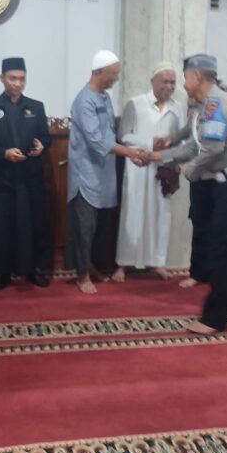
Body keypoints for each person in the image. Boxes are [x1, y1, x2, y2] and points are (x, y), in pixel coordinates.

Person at [150, 54, 227, 333]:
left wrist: (193, 170)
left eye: (185, 77)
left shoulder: (216, 102)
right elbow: (194, 146)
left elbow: (212, 149)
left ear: (196, 76)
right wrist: (158, 156)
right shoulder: (206, 105)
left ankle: (215, 318)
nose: (183, 84)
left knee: (223, 248)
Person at [65, 50, 148, 294]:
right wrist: (130, 152)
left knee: (98, 229)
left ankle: (90, 265)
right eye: (114, 73)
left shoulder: (104, 97)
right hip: (85, 176)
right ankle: (81, 275)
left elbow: (110, 134)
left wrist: (131, 153)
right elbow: (96, 141)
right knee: (84, 228)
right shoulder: (84, 101)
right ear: (99, 72)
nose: (116, 78)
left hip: (104, 174)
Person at [0, 57, 51, 290]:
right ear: (2, 78)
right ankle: (2, 272)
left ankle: (33, 269)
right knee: (3, 227)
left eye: (22, 79)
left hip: (30, 178)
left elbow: (45, 137)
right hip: (4, 179)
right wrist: (4, 153)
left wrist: (42, 147)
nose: (18, 83)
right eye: (13, 78)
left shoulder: (36, 107)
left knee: (33, 225)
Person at [112, 63, 185, 282]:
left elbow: (182, 139)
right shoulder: (135, 104)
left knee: (161, 215)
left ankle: (157, 262)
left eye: (172, 82)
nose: (169, 86)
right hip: (138, 166)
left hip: (163, 168)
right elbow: (123, 135)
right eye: (165, 81)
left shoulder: (177, 108)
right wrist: (148, 143)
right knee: (132, 214)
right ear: (152, 82)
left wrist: (176, 158)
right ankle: (123, 263)